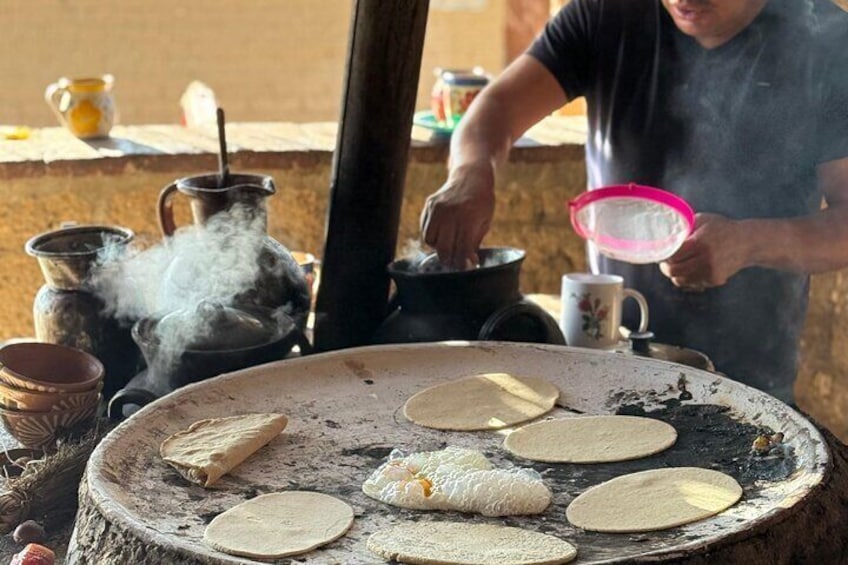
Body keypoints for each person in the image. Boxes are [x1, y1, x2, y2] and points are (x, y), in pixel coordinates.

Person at [419, 0, 848, 404]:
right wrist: (471, 173)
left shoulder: (825, 43)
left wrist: (749, 243)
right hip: (607, 360)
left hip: (746, 381)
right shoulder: (608, 12)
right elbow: (498, 107)